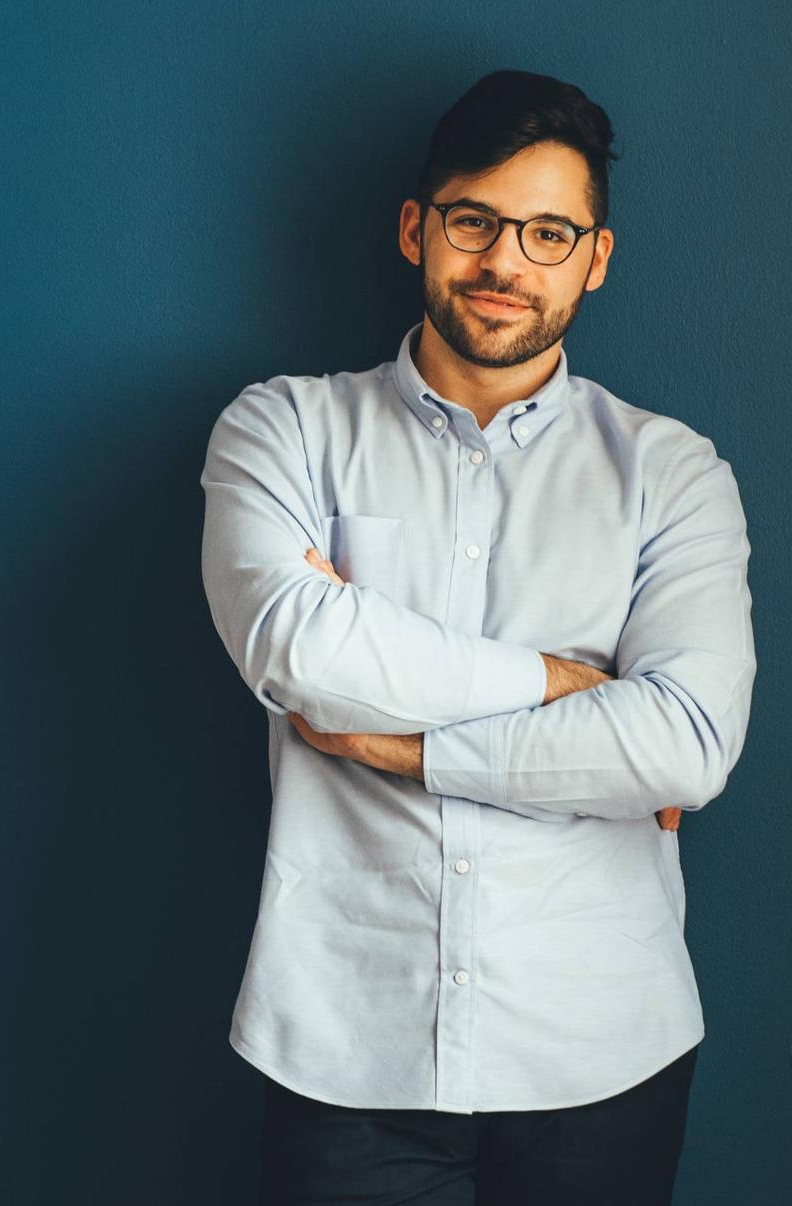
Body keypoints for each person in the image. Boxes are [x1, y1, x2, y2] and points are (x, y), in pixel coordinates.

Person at [197, 69, 758, 1204]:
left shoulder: (672, 473)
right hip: (345, 1049)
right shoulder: (284, 430)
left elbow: (688, 745)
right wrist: (564, 689)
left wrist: (403, 744)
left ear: (596, 258)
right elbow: (298, 650)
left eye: (550, 233)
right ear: (418, 229)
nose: (507, 263)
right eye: (475, 222)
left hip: (600, 1054)